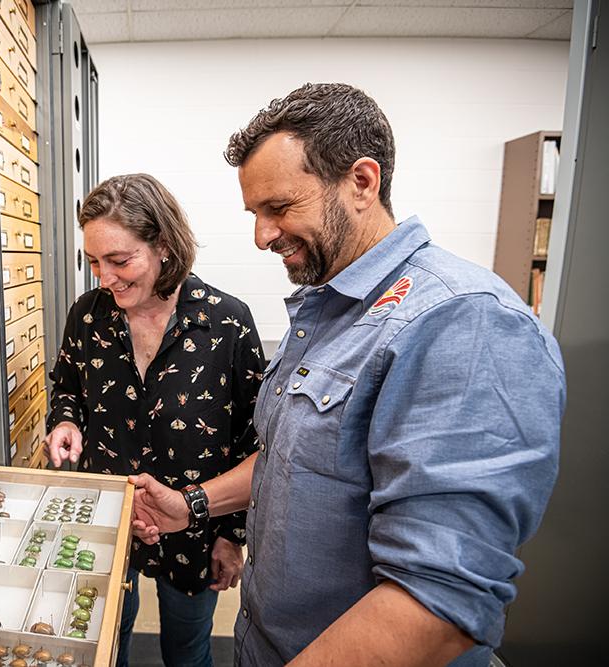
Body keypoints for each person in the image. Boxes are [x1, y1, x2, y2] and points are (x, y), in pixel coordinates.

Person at [128, 83, 565, 667]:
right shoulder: (328, 309)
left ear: (362, 182)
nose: (261, 235)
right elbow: (294, 460)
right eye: (255, 214)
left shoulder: (463, 321)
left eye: (279, 208)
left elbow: (436, 603)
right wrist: (194, 505)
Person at [44, 173, 264, 667]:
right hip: (108, 515)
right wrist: (65, 423)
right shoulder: (88, 315)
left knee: (186, 650)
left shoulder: (226, 322)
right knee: (104, 641)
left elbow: (255, 440)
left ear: (163, 246)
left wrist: (234, 535)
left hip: (195, 526)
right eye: (94, 262)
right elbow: (67, 389)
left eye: (120, 260)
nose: (106, 277)